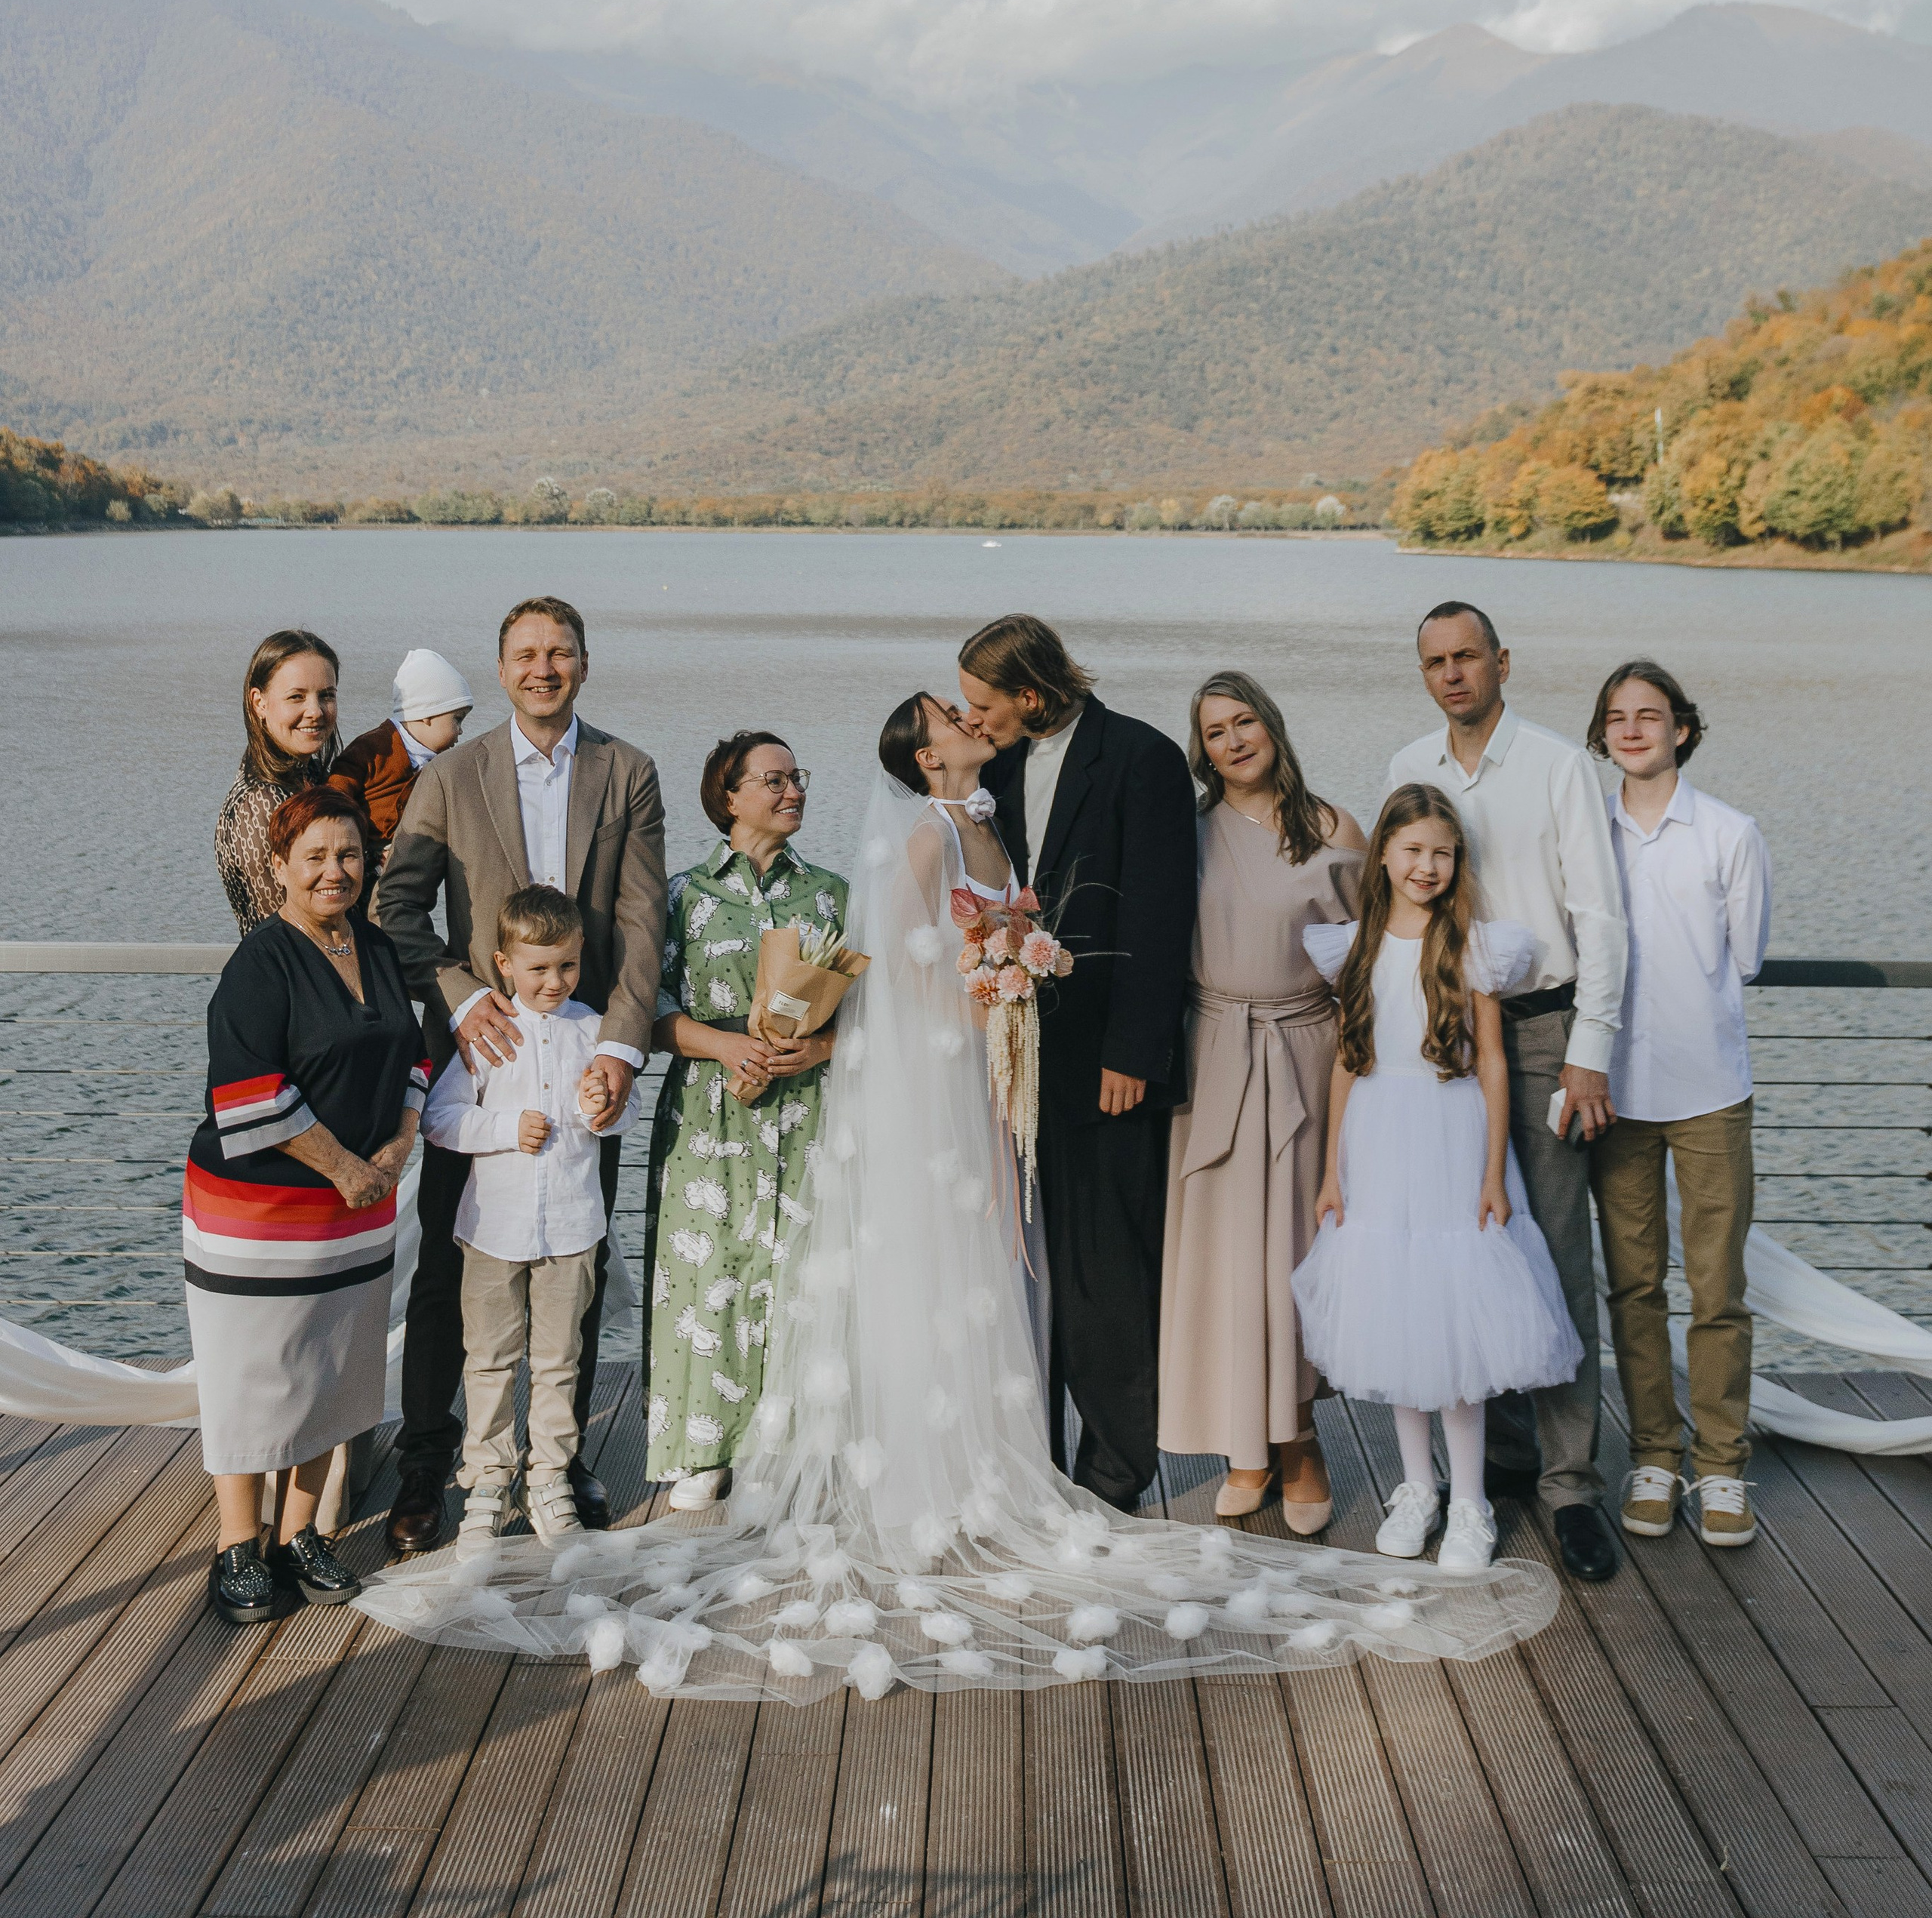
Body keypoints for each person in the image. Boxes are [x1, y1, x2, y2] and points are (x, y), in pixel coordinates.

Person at [358, 730, 1564, 1687]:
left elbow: (930, 952)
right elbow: (900, 959)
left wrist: (1008, 968)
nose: (967, 726)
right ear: (924, 756)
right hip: (881, 1084)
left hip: (981, 1073)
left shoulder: (973, 828)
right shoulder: (919, 836)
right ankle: (746, 1465)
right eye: (949, 722)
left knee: (991, 1259)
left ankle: (988, 1454)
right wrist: (972, 979)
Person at [377, 596, 667, 1556]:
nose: (543, 668)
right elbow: (399, 909)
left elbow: (639, 928)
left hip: (586, 1068)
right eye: (525, 654)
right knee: (445, 1275)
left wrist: (621, 1052)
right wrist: (462, 1000)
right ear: (501, 668)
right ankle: (431, 1464)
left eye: (560, 652)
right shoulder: (455, 774)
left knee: (570, 1271)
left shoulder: (628, 772)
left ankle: (561, 1460)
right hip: (483, 1058)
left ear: (584, 662)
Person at [1387, 602, 1627, 1584]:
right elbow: (1391, 902)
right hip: (1439, 1042)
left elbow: (1602, 916)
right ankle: (1497, 1466)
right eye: (1436, 662)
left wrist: (1591, 1051)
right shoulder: (1411, 764)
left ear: (1502, 662)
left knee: (1557, 1255)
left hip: (1540, 1034)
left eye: (1468, 657)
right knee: (1460, 1255)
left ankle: (1571, 1486)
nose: (1453, 674)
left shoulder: (1560, 766)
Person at [1294, 786, 1583, 1577]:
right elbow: (1350, 1062)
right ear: (1383, 851)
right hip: (1377, 1144)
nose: (1427, 866)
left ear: (1457, 863)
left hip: (1452, 1141)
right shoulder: (1354, 947)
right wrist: (1329, 1171)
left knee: (1451, 1321)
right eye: (1413, 849)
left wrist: (1493, 1171)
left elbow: (1490, 1060)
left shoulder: (1471, 945)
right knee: (1395, 1317)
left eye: (1442, 853)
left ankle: (1469, 1501)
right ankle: (1415, 1487)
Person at [961, 615, 1198, 1513]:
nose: (971, 717)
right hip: (1015, 1058)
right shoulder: (997, 768)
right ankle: (1037, 1455)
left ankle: (1114, 1470)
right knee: (1029, 1268)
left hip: (1107, 1062)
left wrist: (1133, 1052)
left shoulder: (1141, 756)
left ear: (1031, 693)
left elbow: (1159, 911)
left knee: (1108, 1267)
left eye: (984, 702)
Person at [187, 785, 427, 1624]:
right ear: (279, 866)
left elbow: (412, 1052)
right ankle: (236, 1546)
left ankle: (299, 1536)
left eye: (350, 853)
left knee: (336, 1364)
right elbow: (247, 1089)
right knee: (254, 1375)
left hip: (359, 1199)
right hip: (256, 1209)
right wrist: (343, 1166)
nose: (335, 869)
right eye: (316, 855)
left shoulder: (378, 946)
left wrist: (397, 1149)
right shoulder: (261, 961)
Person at [1161, 673, 1365, 1527]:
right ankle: (1244, 1445)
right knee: (1222, 1261)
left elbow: (1365, 971)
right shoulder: (1188, 835)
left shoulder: (1333, 828)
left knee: (1292, 1256)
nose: (1234, 739)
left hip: (1306, 1054)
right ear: (1201, 750)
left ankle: (1300, 1439)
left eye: (1244, 720)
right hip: (1210, 1054)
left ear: (1271, 725)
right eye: (1214, 731)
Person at [1587, 660, 1770, 1550]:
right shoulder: (1587, 835)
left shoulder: (1731, 834)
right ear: (1603, 735)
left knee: (1716, 1289)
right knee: (1631, 1284)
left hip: (1709, 1093)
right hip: (1615, 1094)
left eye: (1648, 715)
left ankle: (1723, 1466)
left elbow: (1746, 957)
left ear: (1680, 730)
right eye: (1616, 717)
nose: (1632, 729)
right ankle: (1654, 1455)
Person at [645, 731, 848, 1510]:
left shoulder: (829, 893)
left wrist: (821, 1046)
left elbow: (867, 1011)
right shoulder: (682, 896)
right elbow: (652, 1010)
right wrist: (724, 1043)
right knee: (710, 1271)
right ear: (730, 796)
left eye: (799, 776)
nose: (793, 789)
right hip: (710, 1112)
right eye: (775, 779)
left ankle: (798, 1443)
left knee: (802, 1271)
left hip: (806, 1111)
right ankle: (706, 1449)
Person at [423, 885, 643, 1548]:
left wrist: (604, 1105)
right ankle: (487, 1479)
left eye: (567, 966)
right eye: (540, 967)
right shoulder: (491, 1033)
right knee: (488, 1358)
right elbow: (440, 1117)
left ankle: (549, 1477)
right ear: (505, 963)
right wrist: (502, 1127)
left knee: (559, 1359)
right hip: (494, 1227)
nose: (555, 981)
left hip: (573, 1226)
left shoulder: (593, 1028)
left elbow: (620, 1115)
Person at [216, 630, 341, 931]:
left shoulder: (308, 775)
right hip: (292, 977)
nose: (315, 711)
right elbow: (286, 934)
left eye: (327, 695)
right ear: (259, 702)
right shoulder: (258, 804)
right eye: (296, 697)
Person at [330, 648, 474, 865]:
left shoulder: (438, 765)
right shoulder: (375, 748)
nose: (460, 731)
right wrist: (357, 843)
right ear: (427, 715)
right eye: (457, 719)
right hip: (357, 851)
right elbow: (336, 794)